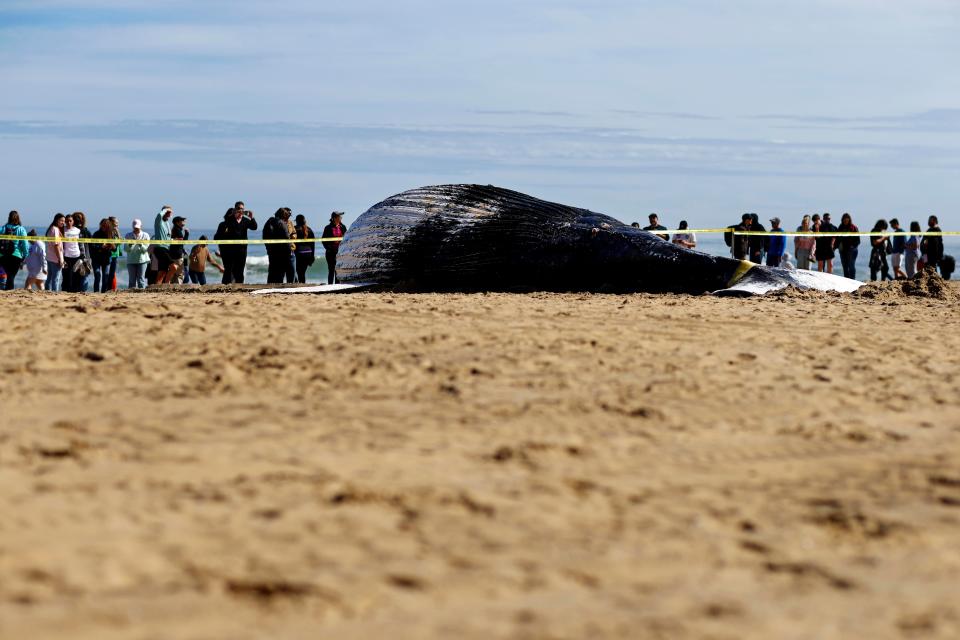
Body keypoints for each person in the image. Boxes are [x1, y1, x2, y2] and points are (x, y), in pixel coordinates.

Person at [215, 202, 258, 284]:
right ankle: (225, 286)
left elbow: (254, 227)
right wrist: (233, 215)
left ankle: (239, 287)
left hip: (242, 249)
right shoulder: (230, 220)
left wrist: (252, 217)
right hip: (230, 250)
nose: (240, 210)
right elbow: (223, 229)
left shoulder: (245, 220)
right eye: (238, 208)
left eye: (242, 208)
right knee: (229, 269)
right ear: (235, 209)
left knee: (240, 269)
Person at [0, 210, 29, 290]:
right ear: (18, 218)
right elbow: (25, 244)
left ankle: (7, 291)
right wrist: (25, 255)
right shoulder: (21, 229)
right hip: (16, 255)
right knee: (11, 276)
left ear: (9, 218)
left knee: (9, 275)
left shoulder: (3, 228)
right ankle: (9, 292)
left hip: (3, 255)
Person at [263, 207, 293, 284]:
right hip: (282, 252)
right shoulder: (282, 223)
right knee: (280, 272)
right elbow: (287, 239)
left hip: (271, 251)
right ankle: (278, 287)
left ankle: (269, 285)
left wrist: (268, 248)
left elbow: (264, 236)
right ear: (284, 215)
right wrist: (289, 251)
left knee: (272, 271)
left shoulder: (269, 221)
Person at [90, 218, 117, 293]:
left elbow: (115, 249)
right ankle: (96, 292)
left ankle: (103, 292)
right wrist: (101, 246)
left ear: (108, 226)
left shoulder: (111, 234)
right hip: (96, 258)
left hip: (106, 258)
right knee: (97, 275)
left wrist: (112, 246)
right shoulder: (96, 234)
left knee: (106, 276)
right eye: (102, 225)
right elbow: (92, 246)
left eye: (105, 226)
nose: (103, 227)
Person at [322, 211, 347, 284]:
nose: (341, 218)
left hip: (340, 252)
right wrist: (328, 248)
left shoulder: (343, 227)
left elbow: (346, 238)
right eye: (339, 216)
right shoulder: (328, 228)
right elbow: (324, 240)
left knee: (338, 270)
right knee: (331, 270)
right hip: (331, 252)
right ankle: (330, 286)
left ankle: (337, 285)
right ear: (334, 218)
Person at [125, 219, 150, 289]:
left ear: (141, 226)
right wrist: (130, 245)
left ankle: (142, 296)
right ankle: (130, 296)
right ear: (132, 227)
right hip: (131, 261)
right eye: (135, 228)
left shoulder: (145, 235)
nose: (136, 229)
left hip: (142, 260)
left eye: (138, 228)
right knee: (131, 280)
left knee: (141, 280)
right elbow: (126, 249)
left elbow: (145, 250)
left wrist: (140, 244)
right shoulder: (128, 235)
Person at [836, 213, 861, 280]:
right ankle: (846, 280)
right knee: (845, 266)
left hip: (852, 250)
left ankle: (853, 280)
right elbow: (837, 239)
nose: (845, 221)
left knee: (851, 266)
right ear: (842, 220)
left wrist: (852, 246)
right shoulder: (840, 227)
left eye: (847, 219)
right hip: (843, 250)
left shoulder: (854, 227)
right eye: (844, 219)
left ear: (849, 220)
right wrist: (837, 247)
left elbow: (858, 240)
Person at [153, 206, 174, 284]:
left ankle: (157, 287)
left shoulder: (167, 223)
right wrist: (165, 210)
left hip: (166, 248)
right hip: (160, 248)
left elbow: (167, 236)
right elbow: (159, 215)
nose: (169, 213)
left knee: (162, 271)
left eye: (170, 212)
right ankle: (166, 285)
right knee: (174, 267)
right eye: (168, 212)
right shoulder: (159, 221)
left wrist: (173, 240)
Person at [45, 213, 65, 291]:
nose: (63, 223)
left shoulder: (51, 229)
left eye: (64, 221)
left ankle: (47, 292)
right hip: (55, 258)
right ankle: (55, 294)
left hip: (49, 257)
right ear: (57, 220)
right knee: (55, 279)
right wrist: (60, 259)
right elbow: (56, 245)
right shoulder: (55, 229)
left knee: (49, 278)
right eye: (61, 221)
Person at [294, 214, 316, 283]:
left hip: (299, 254)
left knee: (299, 272)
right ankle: (302, 284)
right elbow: (313, 244)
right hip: (308, 253)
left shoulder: (295, 229)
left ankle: (300, 285)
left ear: (297, 221)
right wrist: (312, 256)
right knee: (302, 273)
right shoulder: (309, 230)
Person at [168, 216, 189, 284]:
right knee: (179, 274)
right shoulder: (177, 230)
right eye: (182, 220)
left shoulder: (175, 229)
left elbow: (179, 243)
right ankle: (177, 288)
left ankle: (172, 287)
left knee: (174, 273)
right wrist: (187, 233)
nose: (184, 222)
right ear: (177, 222)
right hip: (177, 255)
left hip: (173, 254)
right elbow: (183, 242)